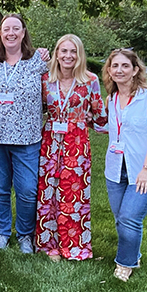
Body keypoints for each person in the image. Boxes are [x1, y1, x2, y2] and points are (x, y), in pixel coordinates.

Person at [102, 49, 147, 282]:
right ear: (109, 71)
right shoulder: (111, 99)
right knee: (121, 218)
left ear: (135, 70)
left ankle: (125, 263)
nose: (119, 70)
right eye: (115, 66)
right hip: (117, 168)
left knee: (130, 217)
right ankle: (134, 253)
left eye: (125, 66)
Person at [35, 34, 107, 261]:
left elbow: (100, 117)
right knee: (49, 192)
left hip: (76, 142)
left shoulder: (90, 80)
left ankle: (74, 246)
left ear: (79, 55)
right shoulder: (46, 79)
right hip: (50, 141)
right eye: (63, 51)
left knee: (73, 194)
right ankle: (49, 244)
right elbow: (41, 108)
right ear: (56, 54)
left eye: (72, 51)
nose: (68, 56)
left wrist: (85, 119)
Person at [0, 14, 47, 253]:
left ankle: (24, 235)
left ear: (23, 33)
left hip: (27, 139)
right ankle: (1, 232)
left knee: (27, 191)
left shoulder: (38, 61)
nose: (11, 33)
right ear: (0, 33)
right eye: (6, 29)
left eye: (16, 29)